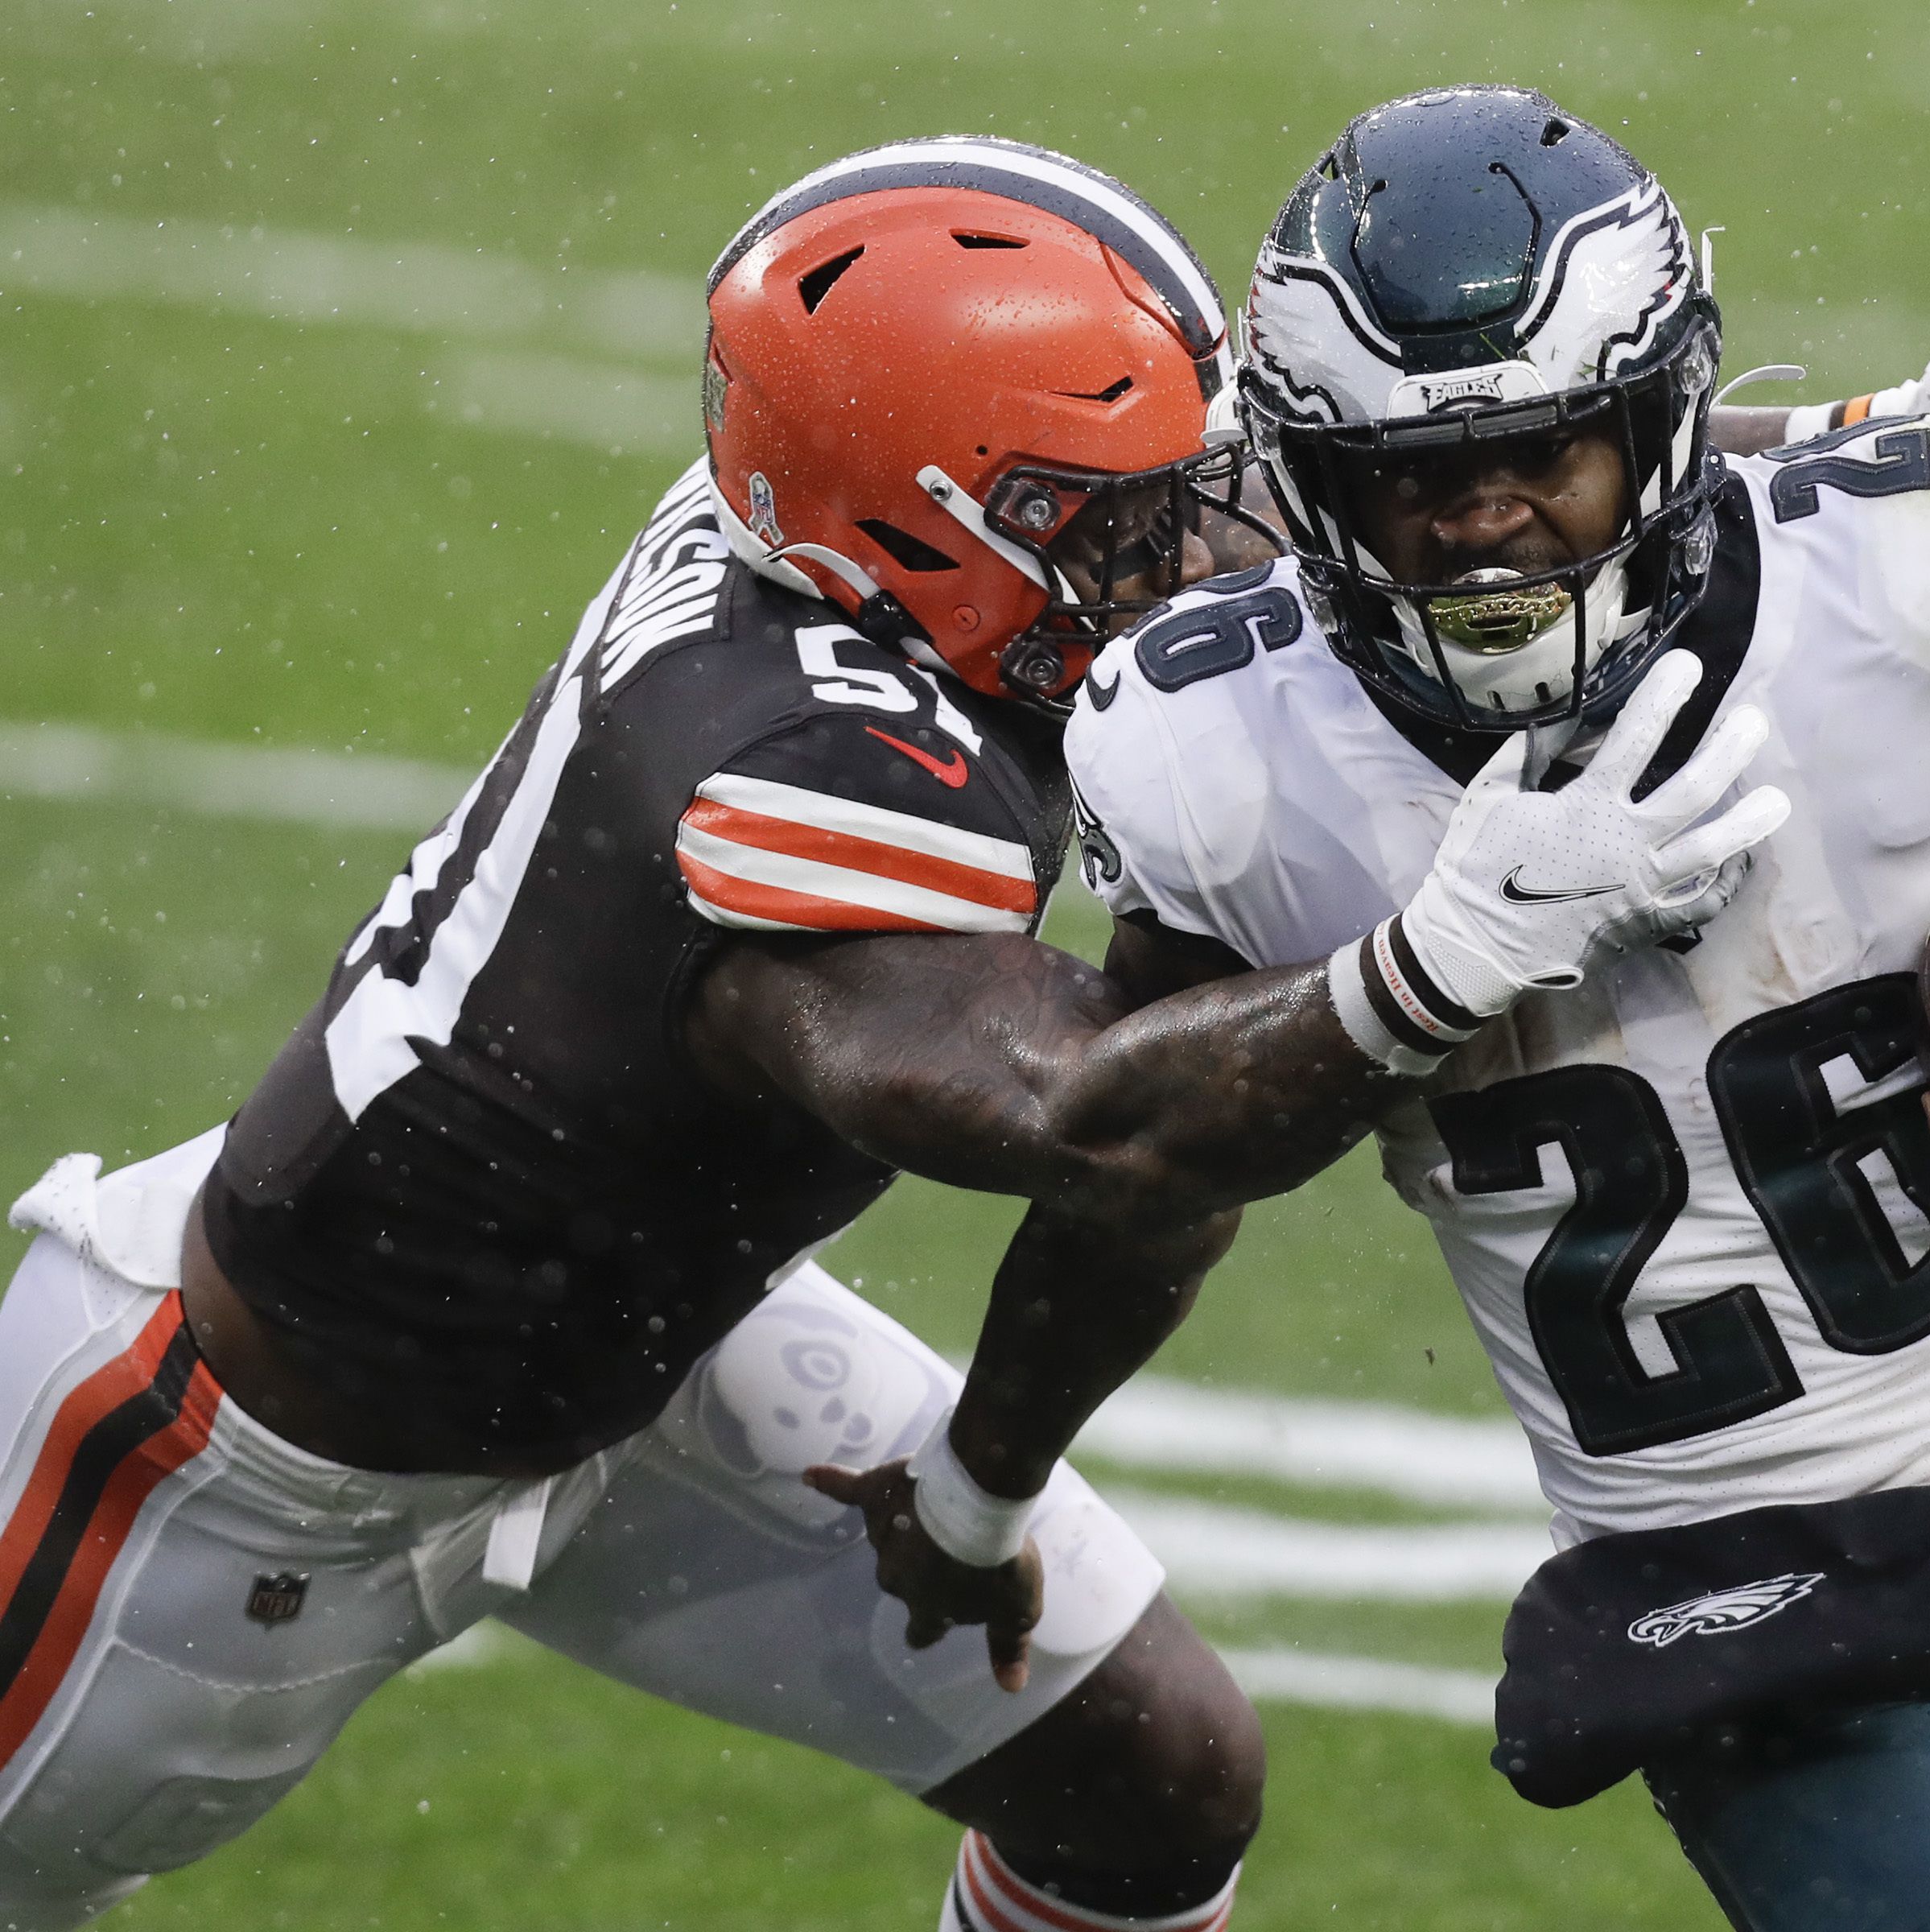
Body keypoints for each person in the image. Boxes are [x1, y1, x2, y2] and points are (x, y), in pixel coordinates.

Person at [0, 137, 1797, 1932]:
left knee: (1153, 1781)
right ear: (933, 528)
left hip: (652, 1353)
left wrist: (1855, 456)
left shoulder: (859, 518)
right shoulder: (791, 761)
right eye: (1120, 522)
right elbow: (1105, 1125)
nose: (1201, 546)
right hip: (238, 1462)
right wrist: (1435, 962)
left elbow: (1374, 493)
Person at [1032, 88, 1930, 1931]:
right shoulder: (1217, 743)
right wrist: (1415, 975)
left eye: (1546, 449)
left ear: (1660, 421)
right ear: (1307, 478)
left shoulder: (1904, 588)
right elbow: (1120, 1142)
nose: (1483, 521)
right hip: (1761, 1597)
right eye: (1411, 473)